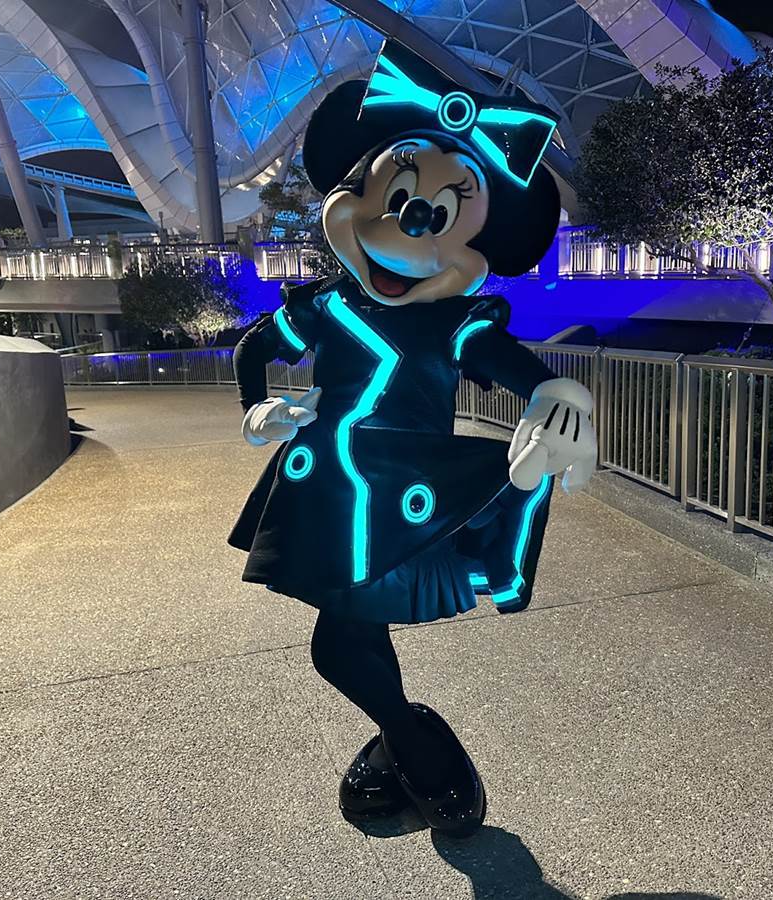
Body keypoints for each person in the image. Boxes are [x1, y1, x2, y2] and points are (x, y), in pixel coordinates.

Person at [229, 42, 597, 837]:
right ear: (354, 192)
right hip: (325, 492)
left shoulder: (455, 322)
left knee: (339, 646)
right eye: (396, 198)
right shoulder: (326, 307)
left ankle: (418, 746)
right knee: (349, 637)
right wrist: (257, 407)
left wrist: (560, 398)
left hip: (402, 496)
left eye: (437, 216)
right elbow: (255, 347)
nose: (404, 229)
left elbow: (525, 373)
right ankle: (416, 746)